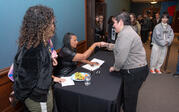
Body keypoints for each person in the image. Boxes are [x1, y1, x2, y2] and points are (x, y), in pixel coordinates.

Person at [13, 5, 64, 112]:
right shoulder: (34, 48)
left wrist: (48, 61)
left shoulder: (35, 41)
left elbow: (36, 67)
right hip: (39, 99)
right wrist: (16, 96)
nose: (53, 26)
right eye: (51, 23)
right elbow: (26, 80)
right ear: (42, 25)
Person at [100, 12, 149, 112]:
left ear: (121, 22)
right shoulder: (126, 31)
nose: (113, 25)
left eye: (114, 23)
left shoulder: (125, 35)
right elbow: (119, 47)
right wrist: (107, 45)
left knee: (130, 100)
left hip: (135, 72)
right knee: (128, 96)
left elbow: (121, 58)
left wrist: (115, 67)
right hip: (139, 69)